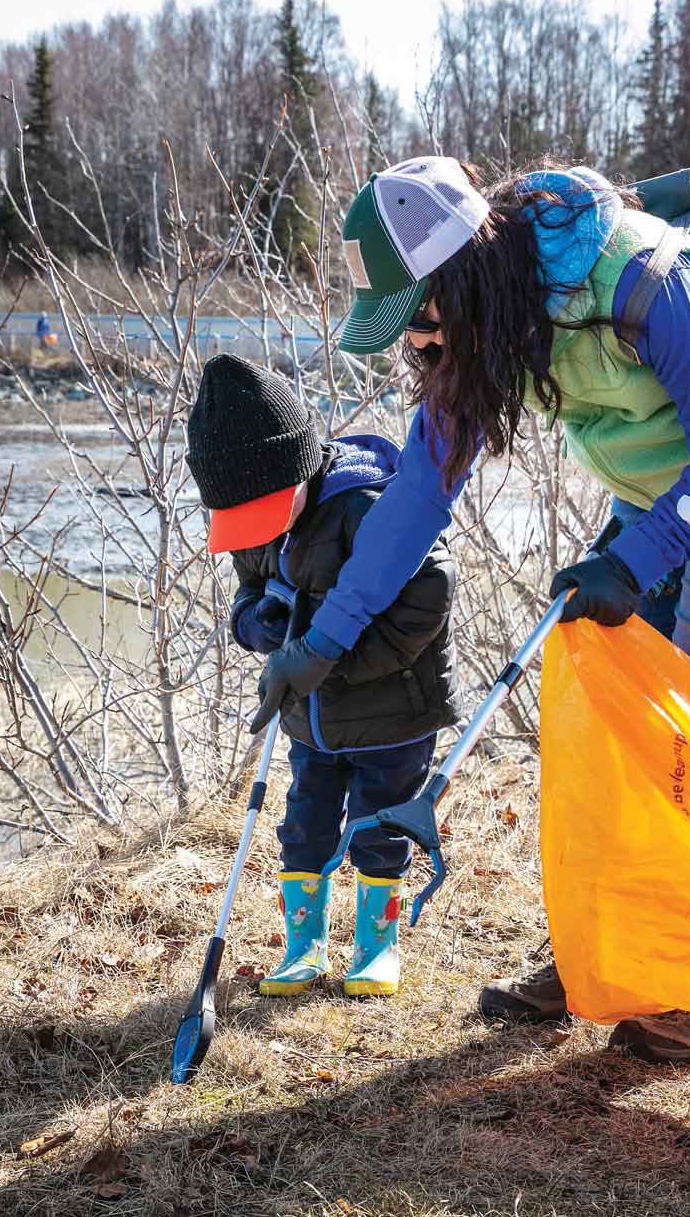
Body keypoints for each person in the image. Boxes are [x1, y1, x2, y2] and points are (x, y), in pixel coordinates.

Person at [259, 155, 690, 1061]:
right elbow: (415, 500)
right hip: (657, 490)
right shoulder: (481, 333)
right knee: (609, 728)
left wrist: (635, 562)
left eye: (417, 318)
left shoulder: (644, 278)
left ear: (460, 278)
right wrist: (323, 642)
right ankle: (605, 956)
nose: (414, 344)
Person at [186, 353, 459, 998]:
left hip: (393, 711)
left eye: (265, 512)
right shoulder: (255, 518)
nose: (256, 532)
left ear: (297, 468)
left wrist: (329, 661)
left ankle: (375, 946)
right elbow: (248, 595)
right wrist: (262, 626)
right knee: (303, 823)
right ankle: (302, 946)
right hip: (309, 722)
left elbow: (430, 593)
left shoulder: (364, 506)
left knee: (379, 824)